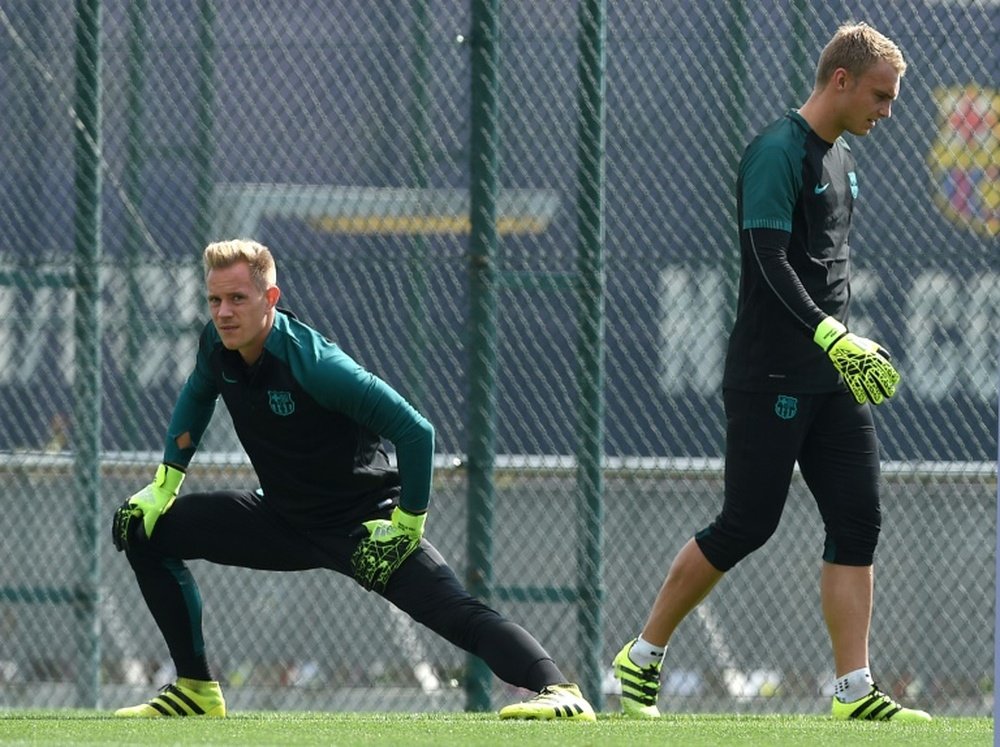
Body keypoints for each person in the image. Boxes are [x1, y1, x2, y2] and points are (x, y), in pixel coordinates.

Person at [111, 238, 595, 721]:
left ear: (270, 299)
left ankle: (559, 690)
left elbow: (416, 432)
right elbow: (197, 395)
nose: (223, 312)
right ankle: (196, 690)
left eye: (238, 298)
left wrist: (405, 527)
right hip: (281, 518)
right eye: (215, 299)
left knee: (457, 615)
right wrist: (163, 486)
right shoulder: (216, 344)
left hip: (363, 526)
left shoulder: (315, 364)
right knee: (144, 531)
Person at [611, 23, 931, 722]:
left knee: (858, 519)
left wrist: (843, 347)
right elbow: (767, 258)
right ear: (840, 80)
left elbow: (828, 269)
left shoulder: (844, 160)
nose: (888, 110)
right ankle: (642, 655)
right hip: (771, 377)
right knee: (747, 523)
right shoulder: (775, 152)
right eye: (880, 95)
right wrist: (829, 333)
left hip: (832, 379)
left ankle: (853, 692)